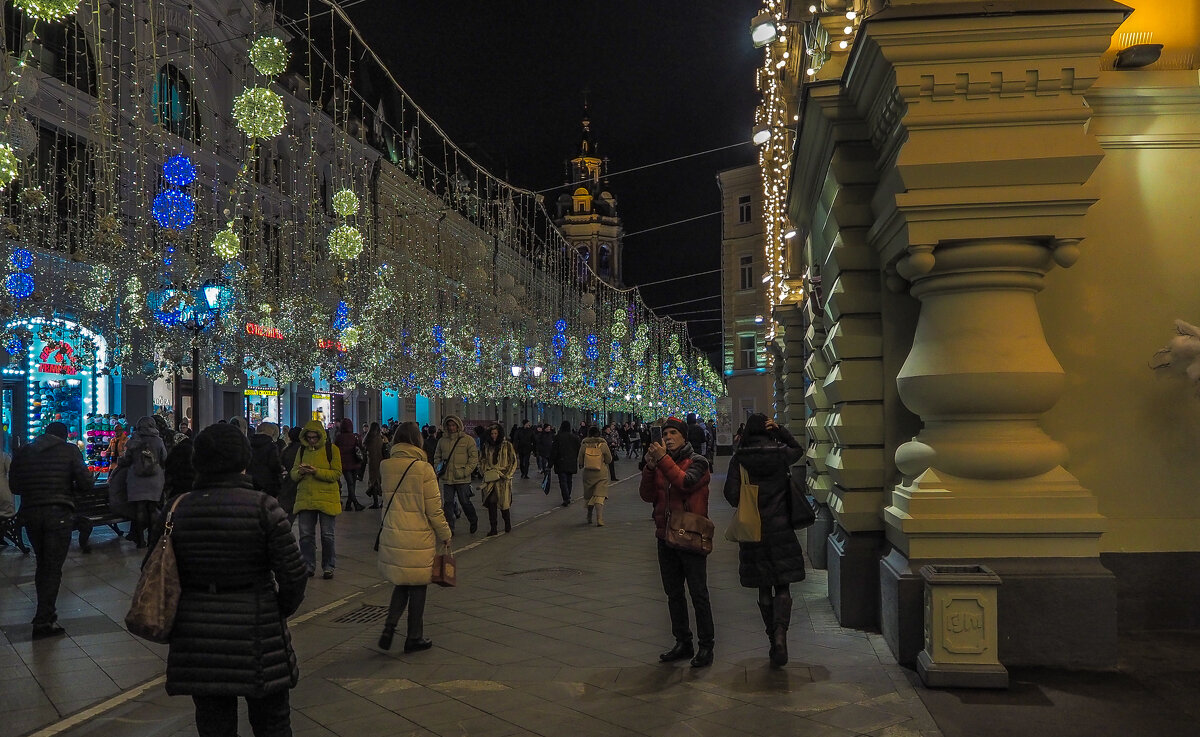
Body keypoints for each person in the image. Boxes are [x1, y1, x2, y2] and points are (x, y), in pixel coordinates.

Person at [150, 423, 307, 737]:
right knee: (272, 723)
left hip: (197, 633)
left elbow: (153, 570)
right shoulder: (264, 507)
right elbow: (293, 574)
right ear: (243, 460)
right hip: (257, 627)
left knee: (214, 724)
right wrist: (278, 608)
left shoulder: (176, 509)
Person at [723, 413, 806, 667]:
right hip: (781, 528)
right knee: (783, 584)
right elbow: (798, 449)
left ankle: (772, 638)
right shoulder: (780, 452)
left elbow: (732, 494)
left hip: (754, 531)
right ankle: (781, 634)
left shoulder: (740, 458)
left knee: (763, 585)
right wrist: (780, 430)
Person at [640, 416, 715, 668]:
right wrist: (650, 468)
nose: (668, 437)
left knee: (698, 594)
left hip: (691, 536)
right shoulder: (662, 464)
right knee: (673, 594)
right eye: (665, 434)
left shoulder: (699, 462)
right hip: (665, 537)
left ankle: (706, 646)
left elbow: (685, 483)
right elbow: (647, 495)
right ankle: (683, 641)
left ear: (684, 437)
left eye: (673, 433)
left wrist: (662, 461)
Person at [9, 422, 93, 638]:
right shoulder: (70, 451)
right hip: (59, 514)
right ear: (64, 436)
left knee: (42, 563)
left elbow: (15, 487)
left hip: (31, 513)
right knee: (53, 567)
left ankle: (43, 615)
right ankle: (44, 620)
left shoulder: (25, 451)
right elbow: (86, 483)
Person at [376, 422, 452, 652]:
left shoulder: (386, 466)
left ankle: (390, 625)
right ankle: (414, 637)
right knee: (418, 585)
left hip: (393, 530)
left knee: (402, 582)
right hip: (418, 535)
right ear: (417, 440)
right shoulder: (423, 469)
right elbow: (434, 508)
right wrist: (445, 533)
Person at [290, 420, 342, 579]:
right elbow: (293, 474)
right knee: (305, 535)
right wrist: (301, 472)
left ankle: (328, 566)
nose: (312, 440)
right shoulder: (301, 450)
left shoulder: (331, 450)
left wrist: (316, 471)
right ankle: (308, 565)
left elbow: (336, 474)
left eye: (314, 437)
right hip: (306, 498)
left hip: (326, 498)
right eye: (309, 437)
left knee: (327, 535)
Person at [121, 416, 167, 548]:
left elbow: (127, 459)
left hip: (136, 478)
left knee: (139, 508)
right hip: (154, 478)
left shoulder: (133, 440)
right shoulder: (158, 441)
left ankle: (140, 539)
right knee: (153, 508)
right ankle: (153, 538)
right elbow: (164, 457)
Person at [432, 415, 479, 535]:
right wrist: (438, 468)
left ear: (458, 426)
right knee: (448, 504)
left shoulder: (468, 440)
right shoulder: (442, 441)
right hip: (447, 478)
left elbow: (474, 458)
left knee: (465, 501)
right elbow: (437, 456)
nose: (451, 428)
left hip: (462, 477)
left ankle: (473, 520)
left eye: (453, 425)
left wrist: (466, 471)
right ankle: (450, 528)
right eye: (449, 425)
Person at [479, 423, 517, 535]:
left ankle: (507, 523)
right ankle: (493, 527)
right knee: (491, 502)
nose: (493, 436)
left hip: (503, 479)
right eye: (492, 433)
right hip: (490, 478)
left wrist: (507, 474)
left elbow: (513, 461)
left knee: (504, 503)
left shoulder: (507, 445)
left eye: (495, 433)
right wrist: (485, 471)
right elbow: (482, 460)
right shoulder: (486, 446)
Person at [578, 426, 613, 526]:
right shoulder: (603, 445)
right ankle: (599, 518)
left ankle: (589, 515)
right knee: (599, 496)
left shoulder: (584, 444)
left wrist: (581, 465)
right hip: (601, 473)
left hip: (588, 474)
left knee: (589, 496)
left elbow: (580, 459)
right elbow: (609, 459)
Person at [333, 418, 365, 511]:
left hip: (344, 464)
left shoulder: (339, 437)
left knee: (350, 483)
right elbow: (361, 447)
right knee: (352, 484)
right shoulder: (355, 436)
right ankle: (354, 503)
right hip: (355, 463)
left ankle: (349, 504)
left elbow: (335, 449)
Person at [550, 420, 582, 507]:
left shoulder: (558, 437)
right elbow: (579, 450)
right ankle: (568, 496)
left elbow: (554, 451)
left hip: (560, 461)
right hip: (571, 461)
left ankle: (566, 497)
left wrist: (550, 464)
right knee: (569, 480)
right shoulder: (575, 438)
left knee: (562, 480)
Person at [248, 422, 283, 499]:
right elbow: (274, 465)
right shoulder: (271, 445)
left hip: (251, 481)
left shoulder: (249, 443)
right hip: (268, 483)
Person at [277, 426, 303, 522]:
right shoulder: (305, 450)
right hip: (302, 480)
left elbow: (280, 463)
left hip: (289, 481)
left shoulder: (287, 450)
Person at [162, 434, 195, 501]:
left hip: (178, 484)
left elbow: (169, 467)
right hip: (193, 484)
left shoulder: (175, 451)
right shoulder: (195, 449)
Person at [364, 422, 385, 509]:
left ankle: (375, 502)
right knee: (381, 481)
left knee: (373, 481)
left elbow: (363, 446)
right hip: (381, 462)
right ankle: (383, 501)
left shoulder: (368, 438)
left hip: (372, 462)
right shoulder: (381, 438)